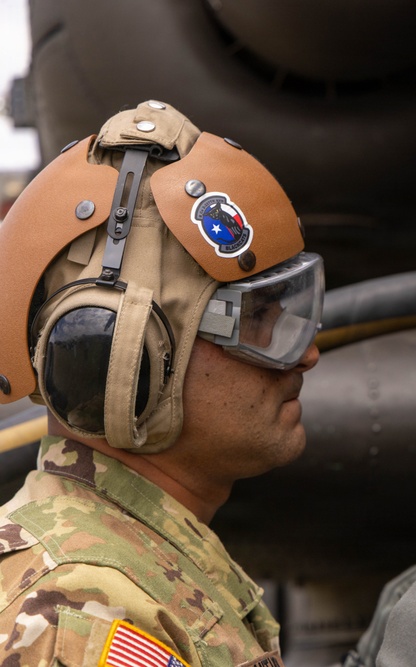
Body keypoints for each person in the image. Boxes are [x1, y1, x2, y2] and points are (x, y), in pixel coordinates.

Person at [0, 101, 324, 665]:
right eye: (257, 320)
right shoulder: (84, 613)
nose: (307, 355)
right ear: (119, 359)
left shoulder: (138, 570)